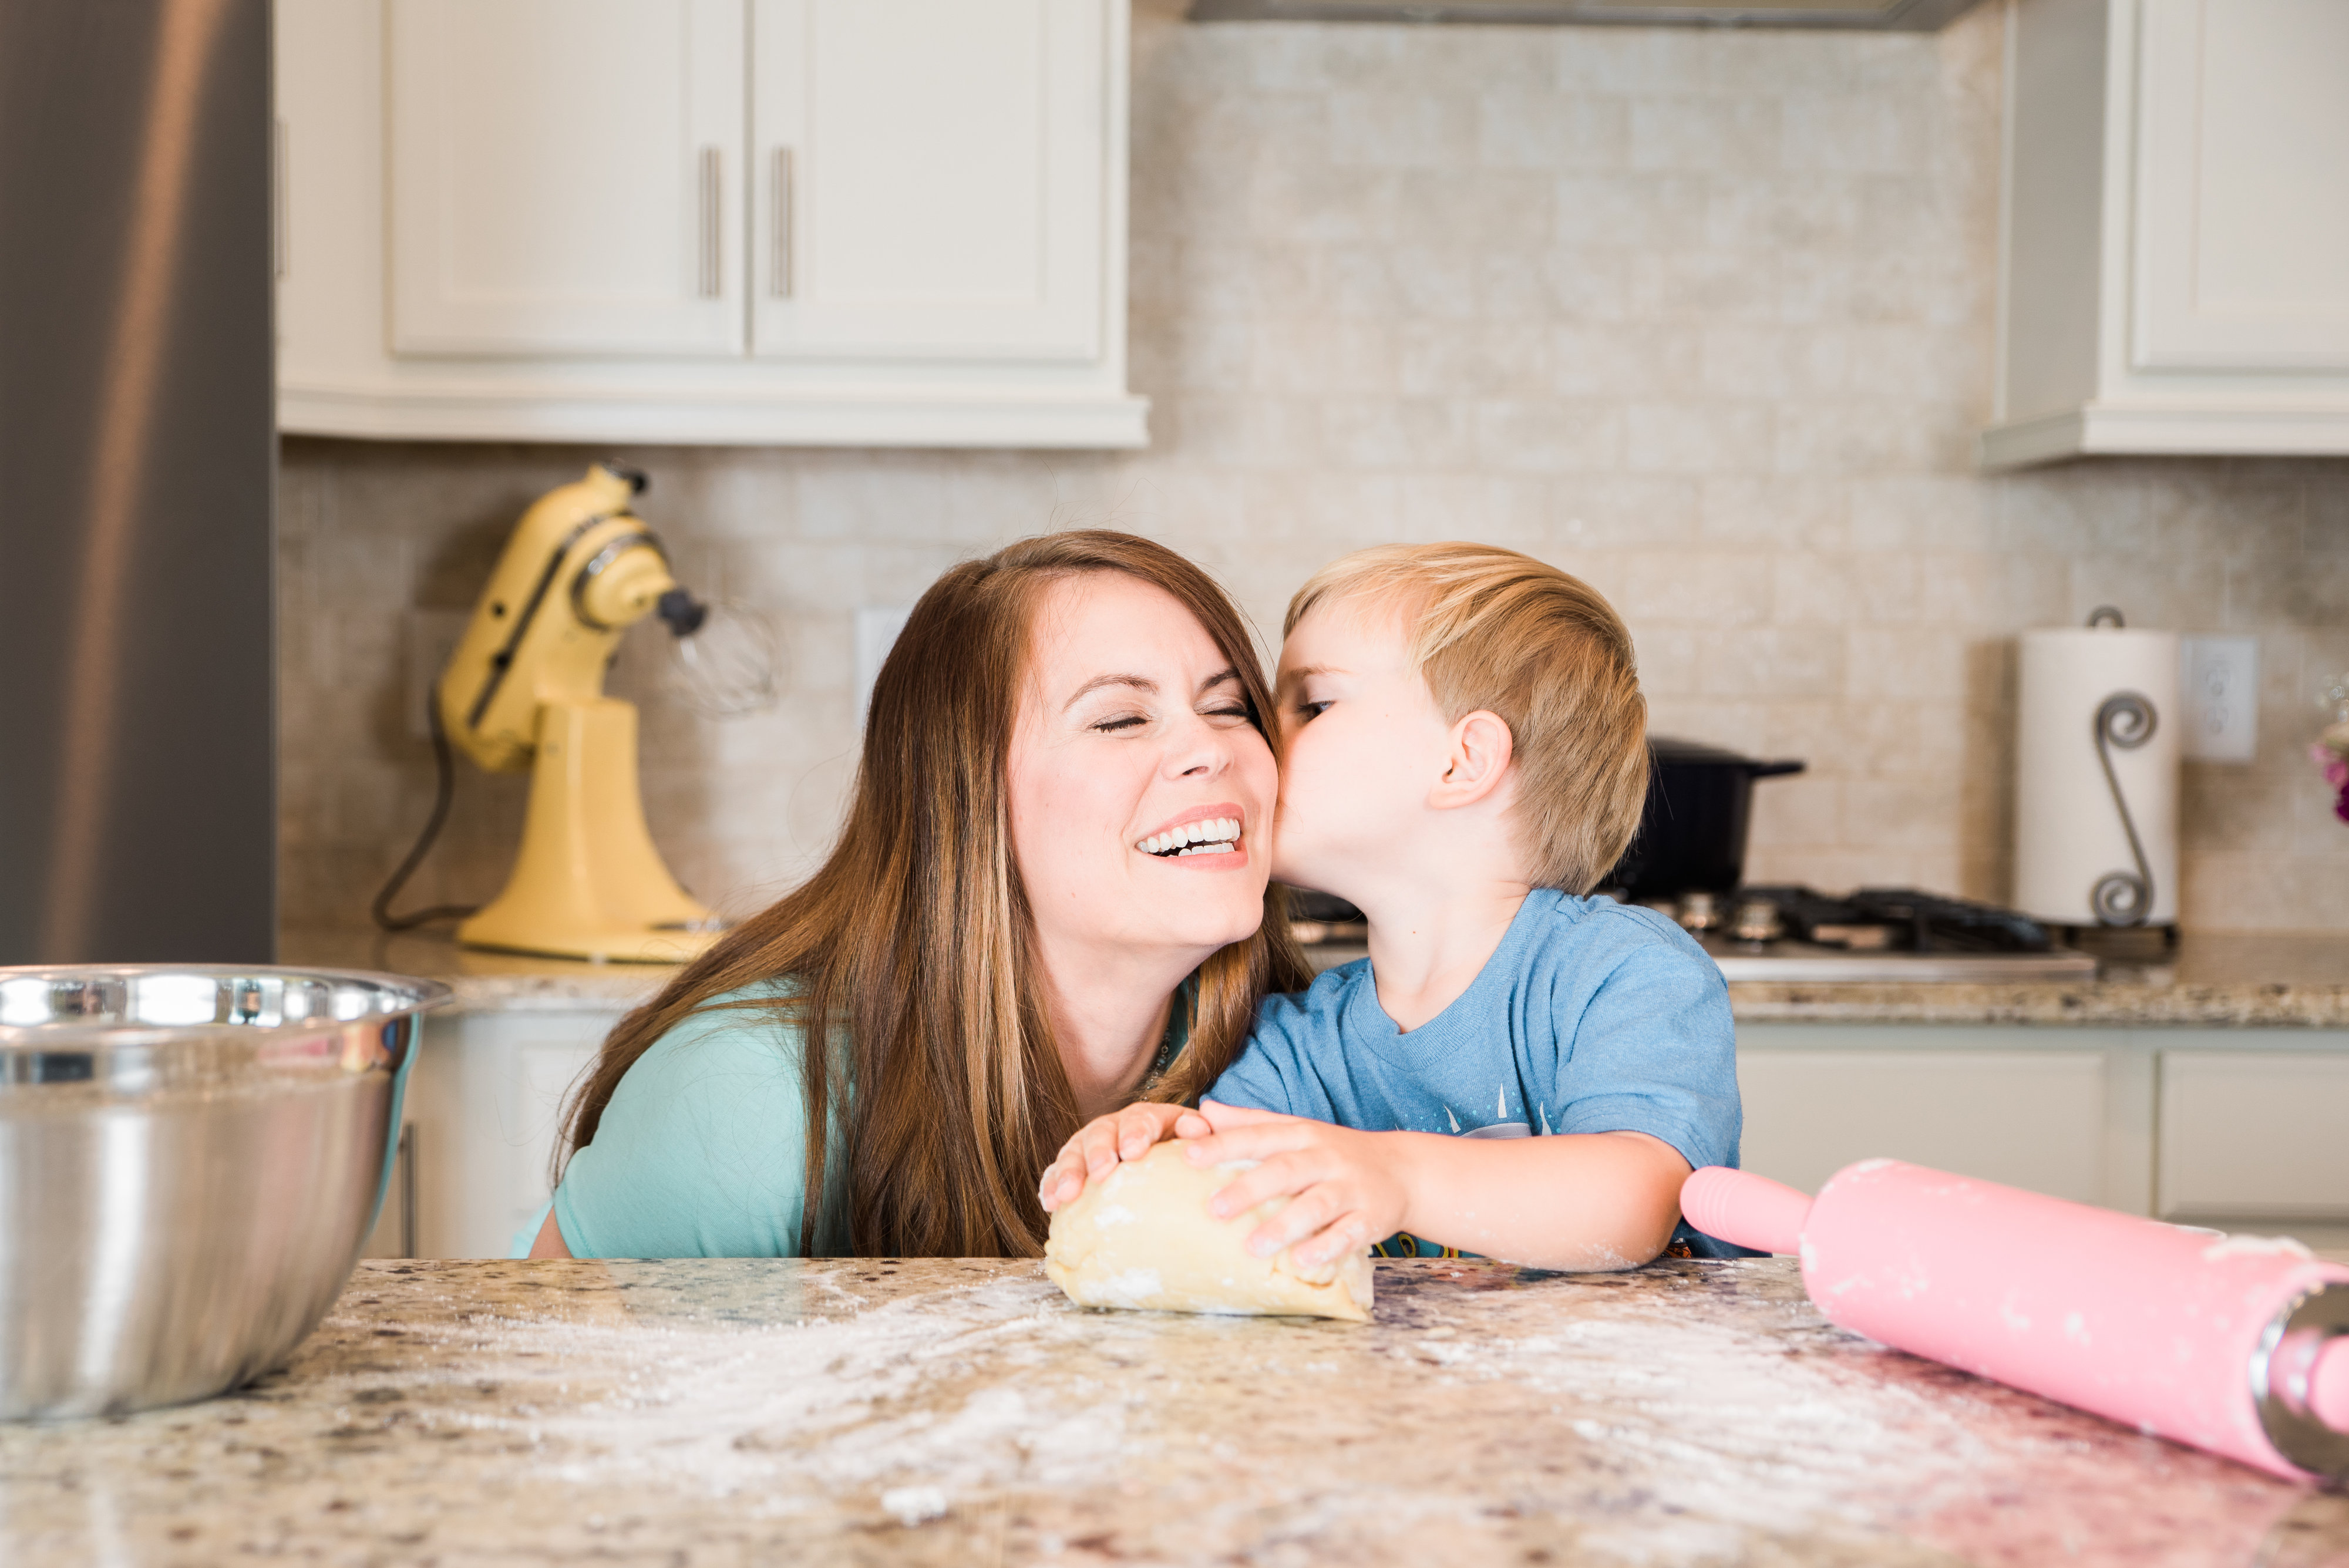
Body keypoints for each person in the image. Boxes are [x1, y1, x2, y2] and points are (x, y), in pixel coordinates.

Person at [524, 531, 1311, 1259]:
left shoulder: (1299, 1061)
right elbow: (557, 1380)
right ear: (963, 793)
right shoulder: (749, 1101)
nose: (1211, 747)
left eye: (1228, 706)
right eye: (1120, 718)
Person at [1039, 542, 1741, 1274]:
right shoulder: (1301, 1044)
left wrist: (1399, 1178)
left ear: (1461, 761)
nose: (1251, 740)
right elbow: (1229, 1197)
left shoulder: (1623, 975)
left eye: (1312, 705)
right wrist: (1158, 1151)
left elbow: (1635, 1204)